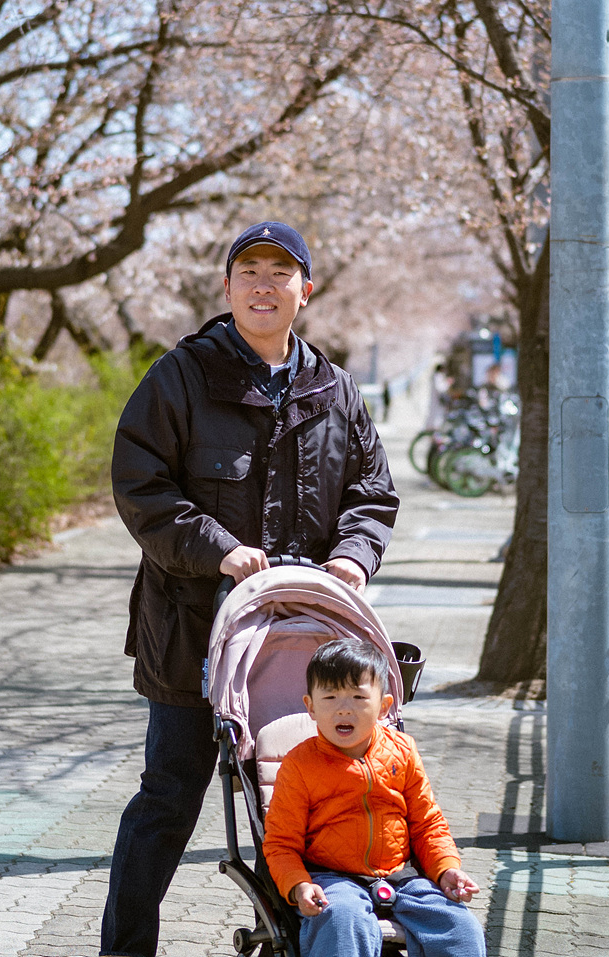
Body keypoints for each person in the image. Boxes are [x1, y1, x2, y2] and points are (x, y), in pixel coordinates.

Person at [101, 220, 399, 957]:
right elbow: (140, 485)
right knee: (168, 799)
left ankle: (299, 937)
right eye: (250, 272)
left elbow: (371, 492)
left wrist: (353, 557)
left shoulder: (336, 390)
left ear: (306, 289)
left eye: (280, 272)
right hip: (189, 631)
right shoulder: (181, 376)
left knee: (298, 796)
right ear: (228, 287)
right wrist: (222, 551)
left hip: (299, 644)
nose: (264, 286)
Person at [261, 639, 485, 957]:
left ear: (383, 706)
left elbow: (428, 825)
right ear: (310, 706)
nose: (344, 708)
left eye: (358, 697)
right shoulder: (299, 764)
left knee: (460, 927)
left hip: (402, 877)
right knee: (341, 920)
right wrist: (299, 886)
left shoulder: (403, 751)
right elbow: (281, 844)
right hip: (332, 878)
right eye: (330, 697)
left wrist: (446, 869)